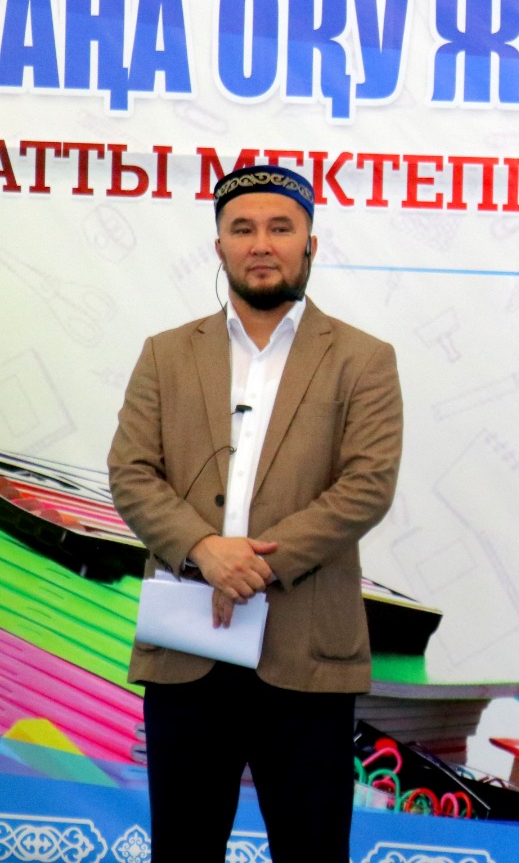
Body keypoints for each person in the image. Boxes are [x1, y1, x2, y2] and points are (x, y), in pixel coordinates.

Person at [109, 164, 403, 863]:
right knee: (182, 850)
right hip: (189, 652)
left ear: (310, 244)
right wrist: (204, 550)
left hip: (307, 655)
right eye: (242, 229)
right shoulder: (167, 354)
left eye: (280, 228)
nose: (261, 244)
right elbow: (131, 472)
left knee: (312, 851)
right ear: (220, 248)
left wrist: (253, 567)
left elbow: (366, 485)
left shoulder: (363, 359)